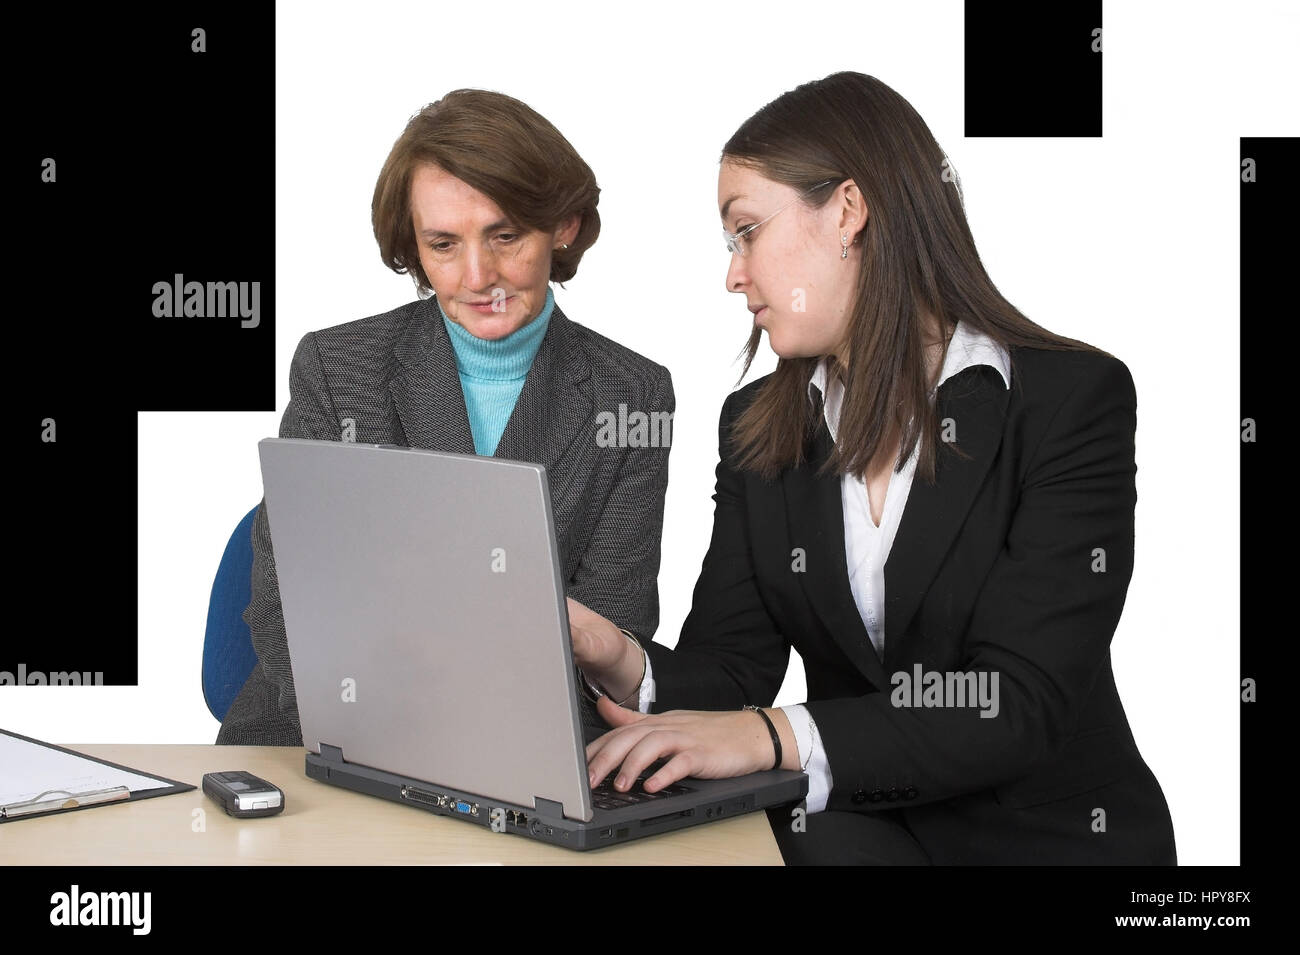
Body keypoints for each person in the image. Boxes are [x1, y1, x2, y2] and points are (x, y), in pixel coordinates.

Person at [567, 72, 1176, 865]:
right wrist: (619, 657)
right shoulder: (759, 427)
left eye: (745, 230)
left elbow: (1016, 702)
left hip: (1046, 843)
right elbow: (732, 670)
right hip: (857, 836)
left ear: (849, 211)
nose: (733, 273)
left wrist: (773, 732)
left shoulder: (1068, 402)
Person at [217, 89, 673, 747]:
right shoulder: (336, 368)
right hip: (325, 733)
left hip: (524, 751)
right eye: (443, 243)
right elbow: (285, 601)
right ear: (413, 246)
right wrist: (375, 732)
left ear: (564, 226)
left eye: (506, 235)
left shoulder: (632, 394)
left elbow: (612, 634)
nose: (478, 274)